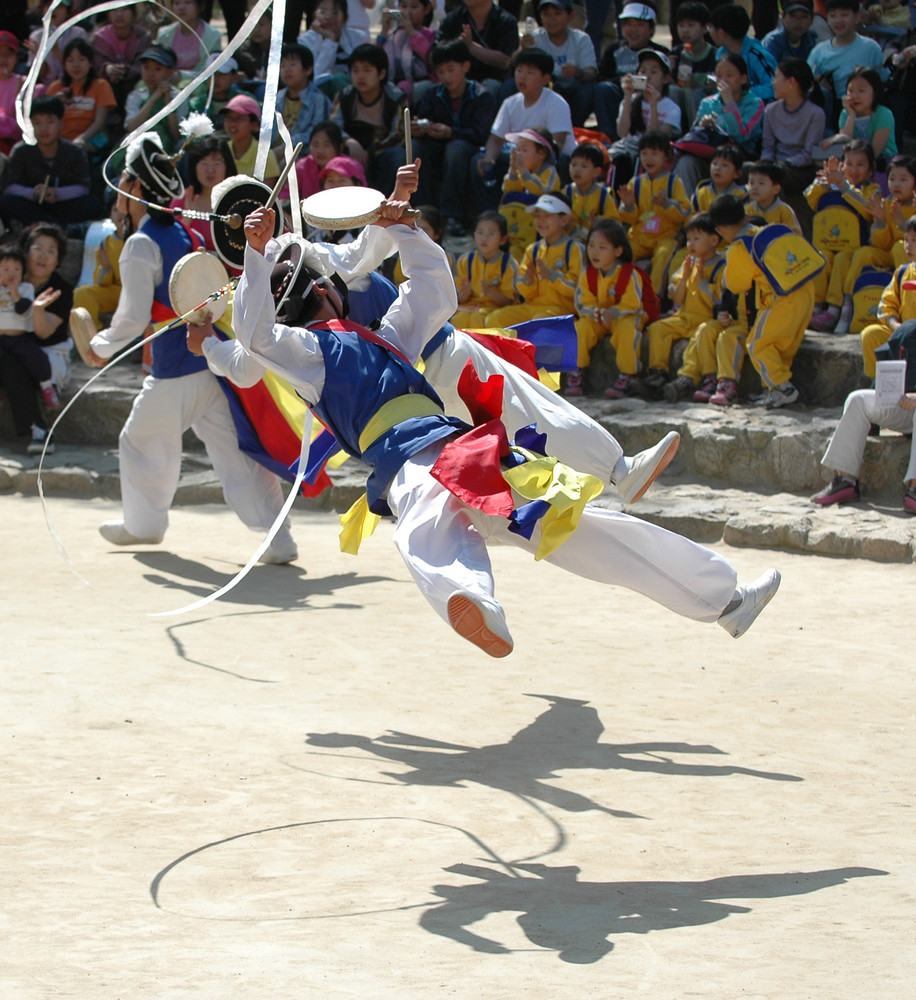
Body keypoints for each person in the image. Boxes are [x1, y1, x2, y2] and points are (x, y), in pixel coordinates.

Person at [231, 171, 782, 657]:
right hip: (412, 458)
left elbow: (432, 290)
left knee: (568, 526)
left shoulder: (386, 338)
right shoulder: (311, 356)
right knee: (434, 522)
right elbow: (256, 335)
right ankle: (473, 600)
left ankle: (724, 601)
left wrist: (399, 225)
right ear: (325, 292)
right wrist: (257, 257)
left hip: (465, 450)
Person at [82, 134, 296, 562]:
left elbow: (132, 315)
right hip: (208, 356)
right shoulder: (181, 229)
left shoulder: (141, 243)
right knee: (236, 453)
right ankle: (279, 538)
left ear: (138, 189)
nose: (122, 187)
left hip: (176, 366)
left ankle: (143, 526)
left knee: (139, 440)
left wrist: (99, 348)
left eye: (126, 180)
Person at [709, 192, 820, 408]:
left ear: (720, 230)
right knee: (779, 346)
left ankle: (783, 388)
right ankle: (773, 391)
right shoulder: (764, 231)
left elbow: (736, 285)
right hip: (804, 291)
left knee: (758, 344)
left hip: (781, 299)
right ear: (747, 217)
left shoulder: (739, 247)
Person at [410, 39, 497, 237]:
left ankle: (451, 216)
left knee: (456, 149)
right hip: (437, 147)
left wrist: (451, 132)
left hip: (467, 149)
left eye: (451, 69)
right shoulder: (433, 94)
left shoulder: (482, 96)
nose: (446, 76)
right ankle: (420, 211)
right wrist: (420, 128)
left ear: (465, 67)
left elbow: (481, 134)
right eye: (441, 72)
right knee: (416, 147)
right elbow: (424, 119)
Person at [0, 222, 74, 454]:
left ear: (58, 259)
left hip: (47, 353)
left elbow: (43, 333)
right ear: (24, 252)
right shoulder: (7, 280)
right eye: (37, 248)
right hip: (11, 349)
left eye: (51, 251)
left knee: (18, 363)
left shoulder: (60, 289)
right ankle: (38, 430)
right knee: (11, 361)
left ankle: (38, 430)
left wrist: (38, 309)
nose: (43, 256)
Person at [647, 212, 727, 401]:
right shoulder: (687, 263)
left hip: (707, 319)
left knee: (697, 341)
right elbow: (677, 298)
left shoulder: (721, 266)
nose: (690, 244)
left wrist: (701, 281)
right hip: (685, 317)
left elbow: (718, 300)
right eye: (689, 239)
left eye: (697, 239)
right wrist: (685, 277)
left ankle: (686, 379)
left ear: (714, 240)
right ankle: (658, 373)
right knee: (658, 329)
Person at [572, 217, 650, 399]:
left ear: (618, 250)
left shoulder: (629, 273)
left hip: (625, 316)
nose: (594, 252)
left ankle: (629, 375)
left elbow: (633, 303)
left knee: (627, 330)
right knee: (581, 327)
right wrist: (594, 312)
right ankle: (577, 371)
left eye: (602, 247)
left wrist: (614, 312)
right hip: (598, 317)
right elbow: (582, 302)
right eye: (591, 245)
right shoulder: (587, 274)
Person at [807, 143, 879, 332]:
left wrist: (844, 186)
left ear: (871, 168)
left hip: (854, 247)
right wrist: (823, 183)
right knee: (821, 257)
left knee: (840, 259)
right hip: (827, 242)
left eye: (860, 164)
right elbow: (810, 199)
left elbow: (868, 211)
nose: (854, 170)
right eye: (849, 164)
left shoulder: (871, 189)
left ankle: (834, 309)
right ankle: (815, 307)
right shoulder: (832, 186)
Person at [0, 96, 97, 227]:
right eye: (37, 122)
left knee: (91, 204)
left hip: (62, 205)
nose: (43, 128)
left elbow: (83, 188)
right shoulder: (21, 151)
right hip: (32, 205)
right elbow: (10, 188)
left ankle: (48, 226)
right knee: (7, 202)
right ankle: (55, 227)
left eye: (49, 122)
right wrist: (34, 193)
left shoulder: (73, 151)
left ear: (61, 123)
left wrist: (57, 194)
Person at [673, 52, 764, 191]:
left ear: (743, 79)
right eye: (719, 75)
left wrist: (729, 103)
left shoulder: (755, 104)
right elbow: (694, 136)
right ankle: (690, 209)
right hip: (710, 156)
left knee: (746, 168)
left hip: (739, 158)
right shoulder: (708, 103)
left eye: (730, 75)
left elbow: (741, 136)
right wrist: (702, 125)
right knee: (686, 162)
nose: (723, 80)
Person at [617, 131, 690, 293]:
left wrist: (666, 204)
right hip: (639, 236)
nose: (649, 158)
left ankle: (655, 296)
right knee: (620, 253)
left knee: (663, 256)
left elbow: (684, 212)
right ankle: (617, 293)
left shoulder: (673, 182)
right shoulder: (635, 183)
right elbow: (629, 218)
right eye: (644, 154)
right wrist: (628, 206)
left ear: (666, 157)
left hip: (665, 236)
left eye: (654, 154)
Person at [512, 0, 598, 127]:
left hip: (573, 90)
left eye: (558, 14)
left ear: (571, 16)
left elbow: (592, 73)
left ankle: (574, 128)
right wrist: (522, 49)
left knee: (588, 89)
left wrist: (577, 72)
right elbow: (514, 65)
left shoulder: (581, 39)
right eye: (546, 14)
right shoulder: (534, 38)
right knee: (511, 85)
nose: (551, 19)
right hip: (544, 89)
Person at [594, 2, 670, 140]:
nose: (633, 30)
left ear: (651, 29)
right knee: (602, 89)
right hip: (621, 96)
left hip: (650, 99)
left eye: (640, 25)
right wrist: (622, 82)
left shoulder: (660, 52)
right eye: (628, 24)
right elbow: (602, 76)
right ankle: (609, 136)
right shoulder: (614, 50)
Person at [808, 0, 885, 128]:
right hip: (832, 108)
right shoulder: (819, 51)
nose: (838, 21)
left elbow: (882, 80)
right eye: (833, 16)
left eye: (844, 15)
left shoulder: (870, 48)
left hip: (864, 109)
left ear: (857, 16)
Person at [0, 246, 58, 412]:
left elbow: (24, 309)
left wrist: (14, 293)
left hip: (19, 337)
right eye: (6, 269)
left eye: (17, 269)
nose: (12, 273)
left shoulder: (26, 288)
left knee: (37, 358)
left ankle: (47, 388)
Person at [859, 216, 916, 379]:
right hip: (901, 331)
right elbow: (886, 305)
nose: (908, 245)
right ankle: (878, 384)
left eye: (914, 240)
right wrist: (897, 326)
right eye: (906, 240)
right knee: (870, 335)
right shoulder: (902, 272)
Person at [500, 128, 561, 260]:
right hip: (519, 229)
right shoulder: (523, 173)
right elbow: (509, 191)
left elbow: (543, 192)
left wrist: (523, 171)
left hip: (539, 230)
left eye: (524, 150)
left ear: (541, 153)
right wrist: (513, 170)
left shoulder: (550, 173)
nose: (519, 154)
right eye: (518, 149)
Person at [435, 0, 520, 95]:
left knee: (490, 87)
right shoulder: (452, 20)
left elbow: (504, 61)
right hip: (458, 80)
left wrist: (471, 47)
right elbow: (435, 53)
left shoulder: (506, 21)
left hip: (494, 82)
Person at [452, 210, 519, 326]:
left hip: (494, 308)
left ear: (503, 239)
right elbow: (459, 299)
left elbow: (509, 301)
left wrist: (489, 292)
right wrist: (465, 294)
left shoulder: (509, 264)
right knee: (458, 319)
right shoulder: (465, 261)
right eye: (480, 232)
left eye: (491, 234)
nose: (484, 238)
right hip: (471, 306)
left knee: (479, 318)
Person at [709, 3, 778, 102]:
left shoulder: (756, 54)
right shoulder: (721, 53)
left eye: (711, 27)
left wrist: (741, 92)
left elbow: (774, 87)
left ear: (721, 33)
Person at [91, 4, 152, 113]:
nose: (119, 14)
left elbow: (144, 63)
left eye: (124, 9)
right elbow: (96, 63)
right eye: (114, 10)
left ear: (134, 13)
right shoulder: (100, 37)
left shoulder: (143, 36)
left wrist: (126, 70)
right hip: (108, 79)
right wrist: (107, 68)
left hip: (134, 80)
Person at [274, 42, 332, 150]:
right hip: (273, 152)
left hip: (300, 154)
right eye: (283, 65)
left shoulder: (318, 100)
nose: (287, 70)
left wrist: (287, 147)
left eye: (292, 64)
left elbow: (316, 133)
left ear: (308, 69)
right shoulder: (277, 98)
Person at [377, 0, 437, 101]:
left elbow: (431, 59)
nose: (407, 12)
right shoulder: (392, 35)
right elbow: (374, 57)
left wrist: (410, 31)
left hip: (418, 84)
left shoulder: (430, 35)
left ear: (426, 9)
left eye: (414, 7)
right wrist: (383, 31)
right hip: (391, 82)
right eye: (404, 7)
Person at [155, 0, 222, 86]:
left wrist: (181, 75)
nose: (181, 7)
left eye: (188, 2)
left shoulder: (213, 36)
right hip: (167, 83)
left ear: (200, 7)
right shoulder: (164, 34)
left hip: (198, 85)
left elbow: (210, 72)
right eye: (177, 3)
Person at [562, 142, 617, 242]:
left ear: (596, 172)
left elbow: (614, 222)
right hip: (571, 239)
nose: (577, 170)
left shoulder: (603, 195)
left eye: (584, 166)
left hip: (596, 241)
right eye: (574, 165)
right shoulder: (566, 192)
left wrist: (600, 222)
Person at [745, 160, 802, 230]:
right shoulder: (746, 210)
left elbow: (795, 235)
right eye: (751, 183)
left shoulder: (784, 211)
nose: (755, 187)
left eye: (761, 183)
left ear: (776, 189)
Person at [0, 29, 25, 156]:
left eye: (8, 54)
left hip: (11, 145)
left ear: (16, 58)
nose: (3, 59)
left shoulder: (23, 83)